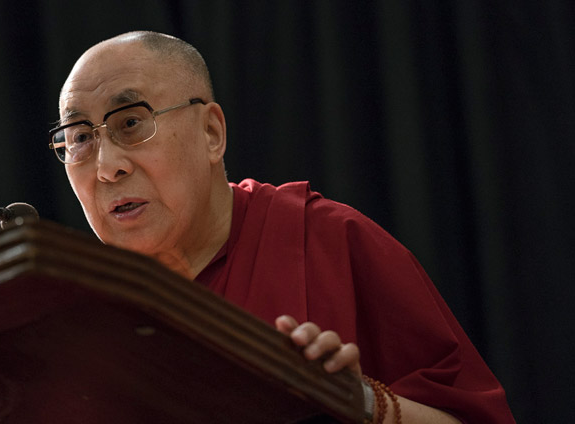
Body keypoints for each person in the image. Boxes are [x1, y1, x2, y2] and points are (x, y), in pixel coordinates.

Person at [49, 31, 515, 423]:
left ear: (211, 134)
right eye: (81, 139)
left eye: (131, 122)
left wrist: (359, 402)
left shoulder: (327, 241)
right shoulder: (72, 318)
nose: (106, 167)